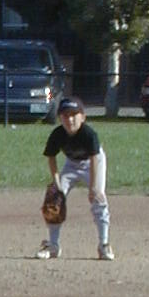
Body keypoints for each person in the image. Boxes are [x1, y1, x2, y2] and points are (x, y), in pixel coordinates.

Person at [36, 96, 114, 261]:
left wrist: (93, 188)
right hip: (71, 164)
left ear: (83, 117)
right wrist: (57, 184)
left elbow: (94, 159)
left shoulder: (89, 134)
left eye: (74, 115)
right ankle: (53, 245)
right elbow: (51, 158)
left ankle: (104, 244)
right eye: (65, 115)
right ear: (60, 118)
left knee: (99, 197)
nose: (70, 119)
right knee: (54, 200)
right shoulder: (57, 134)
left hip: (94, 162)